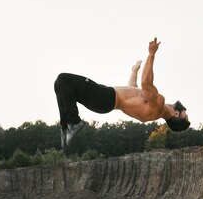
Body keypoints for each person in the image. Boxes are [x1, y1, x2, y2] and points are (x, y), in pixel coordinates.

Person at [54, 37, 190, 148]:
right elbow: (133, 89)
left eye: (186, 116)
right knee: (60, 85)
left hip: (106, 98)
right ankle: (65, 126)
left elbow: (146, 83)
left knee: (63, 80)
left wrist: (151, 54)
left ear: (176, 114)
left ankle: (74, 122)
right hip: (105, 101)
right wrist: (134, 71)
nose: (186, 111)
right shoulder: (152, 110)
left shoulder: (158, 105)